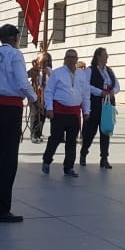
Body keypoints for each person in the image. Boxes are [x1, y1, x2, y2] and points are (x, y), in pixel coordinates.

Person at [0, 25, 37, 223]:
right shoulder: (15, 54)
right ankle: (1, 208)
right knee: (8, 159)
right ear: (15, 37)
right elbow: (22, 82)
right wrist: (35, 98)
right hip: (11, 108)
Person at [41, 48, 89, 177]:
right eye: (69, 57)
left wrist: (86, 110)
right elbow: (49, 91)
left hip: (74, 113)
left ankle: (69, 167)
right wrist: (49, 108)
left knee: (71, 141)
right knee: (55, 138)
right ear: (65, 59)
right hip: (59, 111)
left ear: (77, 59)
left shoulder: (82, 74)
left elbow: (85, 93)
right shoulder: (57, 73)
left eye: (74, 57)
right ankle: (47, 160)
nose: (71, 59)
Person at [80, 47, 118, 169]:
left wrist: (113, 92)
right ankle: (84, 152)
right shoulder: (90, 71)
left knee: (106, 130)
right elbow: (86, 86)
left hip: (108, 103)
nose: (107, 57)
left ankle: (104, 158)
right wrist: (100, 92)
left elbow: (117, 85)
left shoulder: (110, 71)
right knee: (91, 130)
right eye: (105, 55)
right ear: (98, 56)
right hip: (95, 103)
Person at [27, 52, 52, 143]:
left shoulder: (49, 70)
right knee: (35, 113)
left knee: (42, 114)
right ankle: (33, 134)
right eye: (42, 60)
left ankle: (39, 133)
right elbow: (29, 81)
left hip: (45, 95)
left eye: (46, 60)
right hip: (35, 94)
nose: (43, 62)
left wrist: (48, 74)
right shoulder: (33, 69)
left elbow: (53, 81)